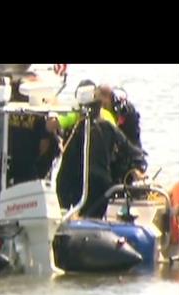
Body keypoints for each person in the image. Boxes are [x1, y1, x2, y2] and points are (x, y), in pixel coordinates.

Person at [56, 80, 148, 219]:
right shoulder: (83, 129)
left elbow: (134, 153)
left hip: (94, 186)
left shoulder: (103, 127)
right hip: (89, 185)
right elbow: (134, 152)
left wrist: (135, 169)